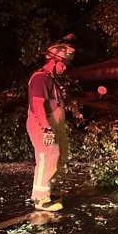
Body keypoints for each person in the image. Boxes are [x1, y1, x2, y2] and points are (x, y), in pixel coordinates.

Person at [26, 37, 76, 212]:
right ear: (53, 61)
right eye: (63, 65)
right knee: (46, 158)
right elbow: (38, 104)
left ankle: (47, 191)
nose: (64, 69)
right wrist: (46, 127)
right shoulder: (40, 78)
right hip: (43, 123)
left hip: (54, 123)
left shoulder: (50, 79)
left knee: (59, 157)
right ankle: (40, 198)